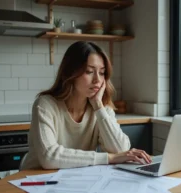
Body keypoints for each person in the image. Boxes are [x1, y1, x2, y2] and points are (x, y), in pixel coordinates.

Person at [21, 41, 152, 170]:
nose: (97, 80)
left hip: (73, 179)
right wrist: (109, 158)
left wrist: (98, 107)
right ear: (70, 73)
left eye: (101, 72)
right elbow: (49, 157)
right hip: (34, 179)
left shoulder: (102, 107)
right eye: (89, 71)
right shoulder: (45, 105)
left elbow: (121, 149)